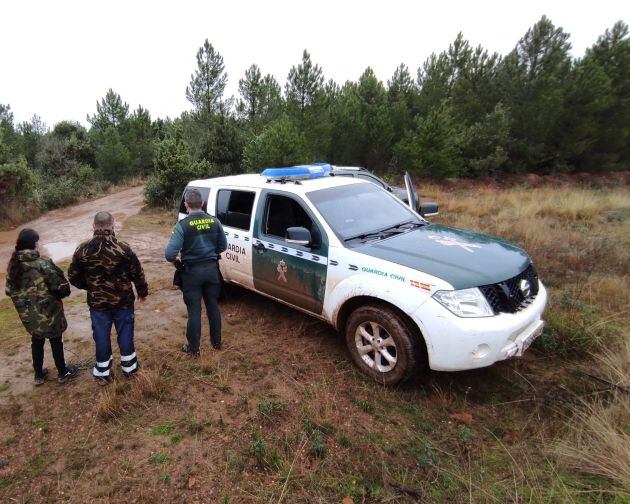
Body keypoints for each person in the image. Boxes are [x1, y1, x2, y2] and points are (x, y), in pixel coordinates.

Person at [68, 211, 148, 384]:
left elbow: (73, 276)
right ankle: (130, 368)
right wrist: (142, 293)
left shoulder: (82, 250)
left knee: (101, 335)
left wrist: (90, 287)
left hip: (98, 304)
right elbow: (137, 273)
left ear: (93, 226)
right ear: (113, 225)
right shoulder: (123, 248)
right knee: (125, 333)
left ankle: (103, 372)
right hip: (123, 302)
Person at [5, 229, 78, 386]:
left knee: (36, 341)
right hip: (50, 313)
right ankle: (62, 372)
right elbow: (62, 288)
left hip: (29, 316)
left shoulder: (13, 266)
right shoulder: (43, 264)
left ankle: (38, 375)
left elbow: (8, 291)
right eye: (38, 241)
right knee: (56, 340)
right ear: (34, 244)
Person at [165, 188, 227, 355]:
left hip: (191, 273)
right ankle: (216, 343)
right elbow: (223, 246)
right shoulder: (215, 222)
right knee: (213, 306)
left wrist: (177, 263)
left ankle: (193, 349)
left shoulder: (182, 226)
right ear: (202, 204)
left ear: (186, 205)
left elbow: (169, 254)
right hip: (212, 270)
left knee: (194, 310)